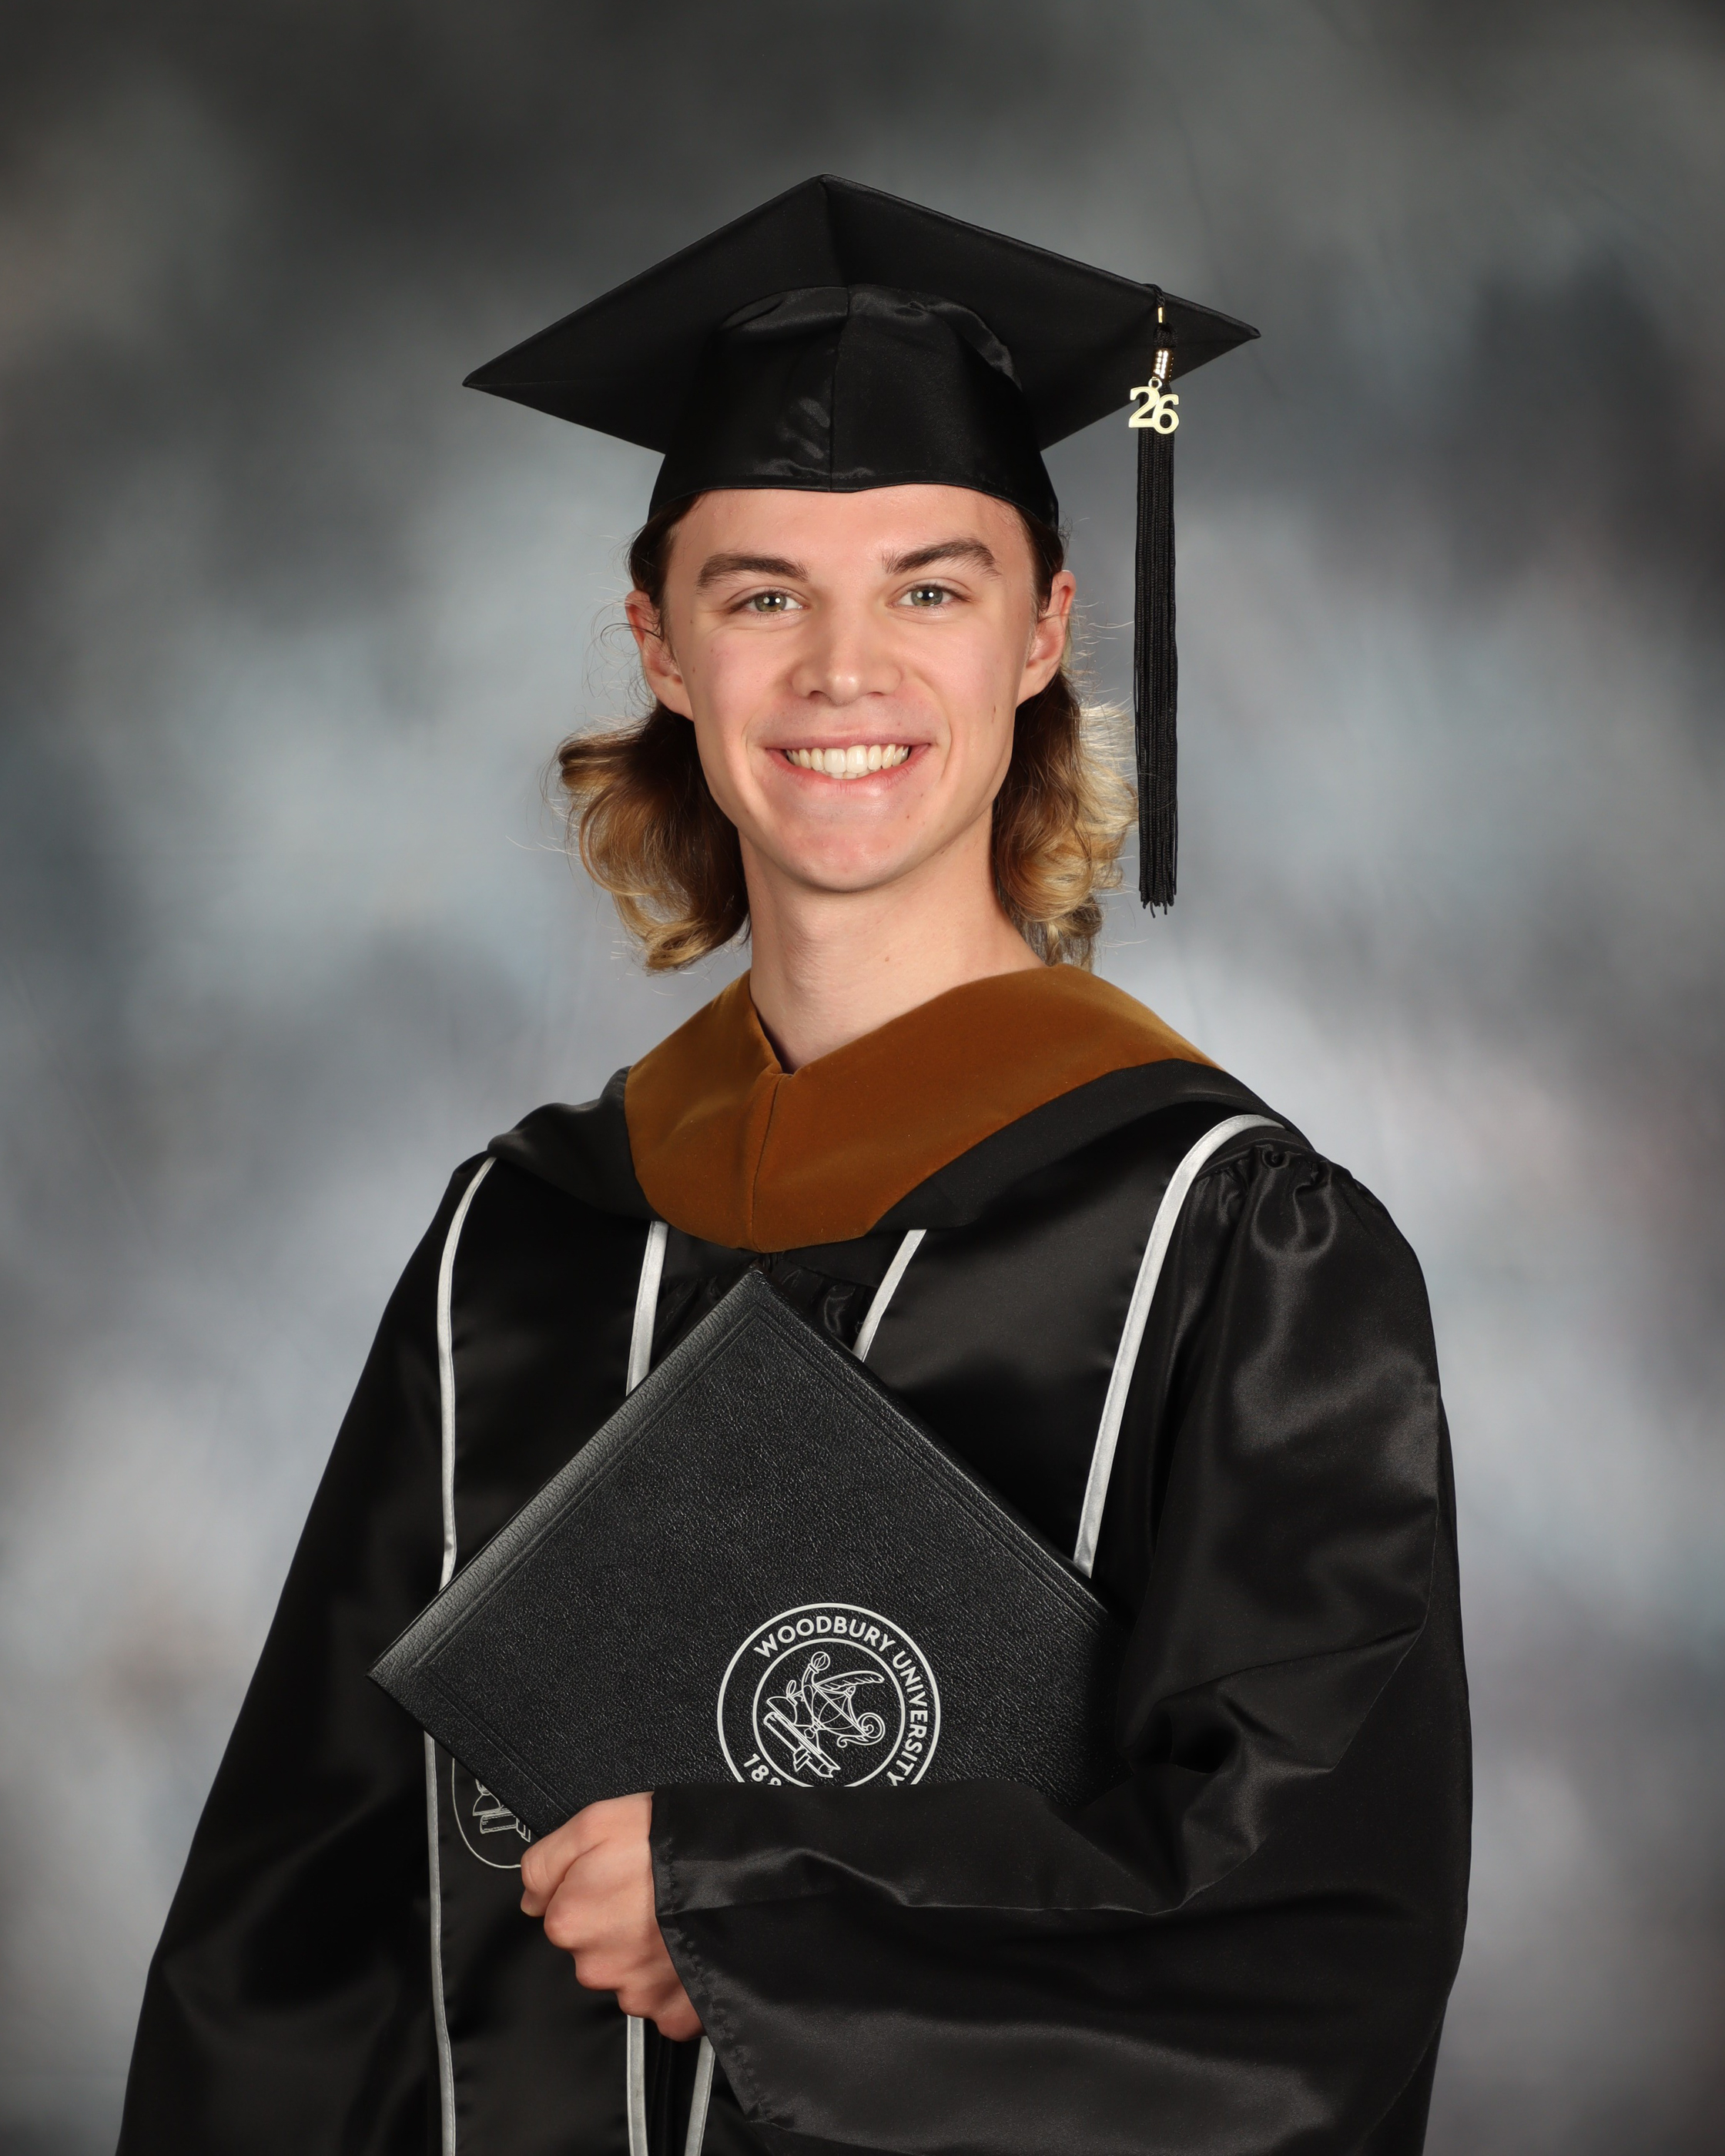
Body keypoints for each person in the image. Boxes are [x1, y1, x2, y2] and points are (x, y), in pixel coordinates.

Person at [118, 177, 1469, 2156]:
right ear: (662, 645)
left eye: (929, 587)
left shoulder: (1237, 1250)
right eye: (763, 594)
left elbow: (1301, 1958)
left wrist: (758, 1907)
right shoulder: (522, 1242)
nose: (844, 669)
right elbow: (294, 1933)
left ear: (1043, 632)